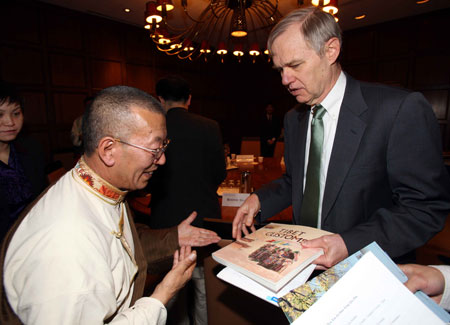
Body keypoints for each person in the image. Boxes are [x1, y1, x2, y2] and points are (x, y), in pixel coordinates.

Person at [232, 7, 450, 268]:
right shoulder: (294, 118)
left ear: (331, 50)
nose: (285, 79)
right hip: (303, 265)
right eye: (280, 69)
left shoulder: (398, 110)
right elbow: (297, 181)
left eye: (295, 65)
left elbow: (424, 209)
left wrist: (349, 243)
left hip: (369, 270)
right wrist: (260, 199)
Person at [1, 85, 221, 324]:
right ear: (108, 149)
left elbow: (119, 245)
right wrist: (162, 295)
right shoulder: (64, 244)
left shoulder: (99, 186)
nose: (163, 159)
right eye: (154, 148)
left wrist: (175, 236)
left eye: (163, 147)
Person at [147, 76, 227, 324]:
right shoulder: (209, 126)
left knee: (170, 290)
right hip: (202, 217)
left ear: (160, 99)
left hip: (165, 218)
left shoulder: (154, 128)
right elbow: (219, 174)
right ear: (189, 99)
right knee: (203, 287)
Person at [0, 82, 46, 242]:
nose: (10, 122)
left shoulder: (32, 149)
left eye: (16, 113)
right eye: (0, 115)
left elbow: (43, 196)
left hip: (37, 239)